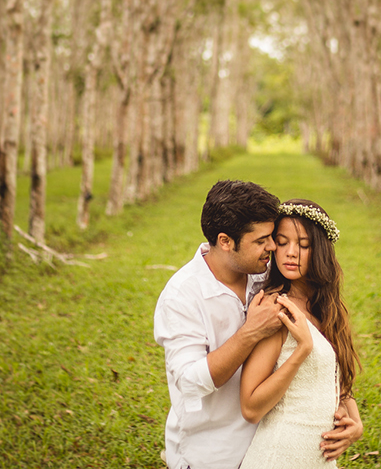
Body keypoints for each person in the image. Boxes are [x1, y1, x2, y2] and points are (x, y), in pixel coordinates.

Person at [153, 179, 285, 469]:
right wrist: (251, 332)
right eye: (261, 241)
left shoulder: (268, 274)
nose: (273, 246)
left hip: (270, 442)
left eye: (272, 236)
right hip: (209, 453)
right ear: (225, 241)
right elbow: (190, 381)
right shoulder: (182, 295)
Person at [239, 199, 364, 468]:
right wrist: (302, 350)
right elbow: (250, 408)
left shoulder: (327, 309)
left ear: (320, 250)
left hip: (317, 458)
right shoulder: (276, 310)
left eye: (303, 245)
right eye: (282, 242)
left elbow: (334, 376)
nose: (291, 253)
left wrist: (356, 423)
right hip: (279, 456)